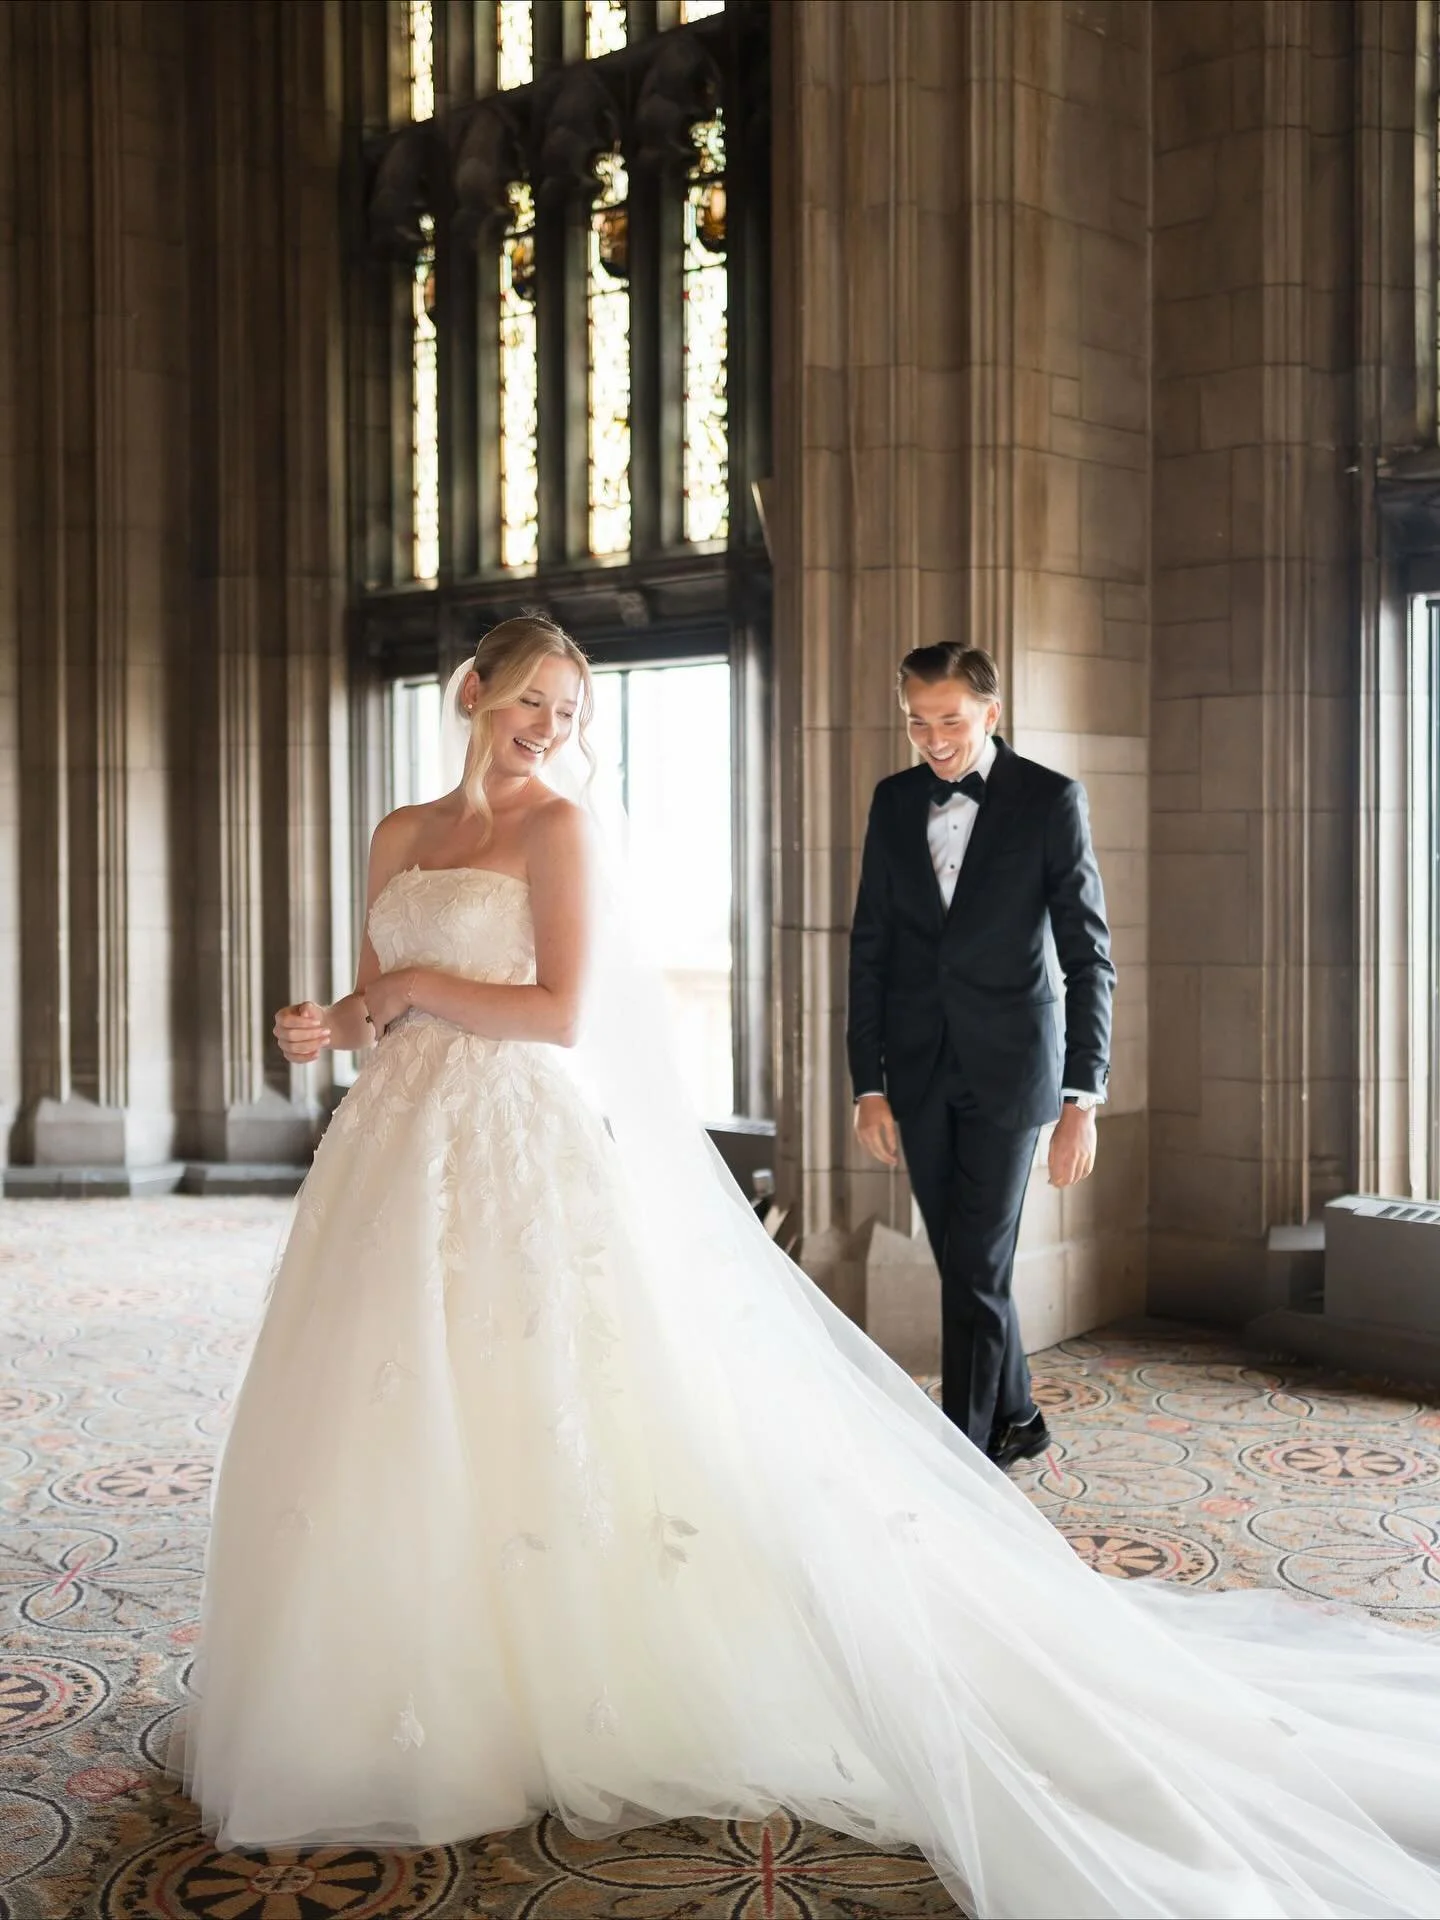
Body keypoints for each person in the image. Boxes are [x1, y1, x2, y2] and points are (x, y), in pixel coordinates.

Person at [172, 615, 1440, 1919]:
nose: (551, 728)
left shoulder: (556, 831)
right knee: (388, 1418)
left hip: (521, 1141)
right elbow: (375, 1010)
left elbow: (555, 1012)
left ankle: (963, 1446)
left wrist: (416, 985)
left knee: (573, 1391)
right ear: (474, 693)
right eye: (533, 702)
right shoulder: (396, 833)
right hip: (396, 1152)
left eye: (571, 709)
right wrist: (326, 1024)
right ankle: (387, 1678)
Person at [848, 643, 1115, 1469]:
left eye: (950, 721)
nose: (932, 739)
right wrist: (869, 1085)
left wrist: (1082, 1099)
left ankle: (961, 1457)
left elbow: (1088, 958)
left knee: (973, 1269)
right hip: (919, 1069)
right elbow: (870, 949)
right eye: (917, 722)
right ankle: (1022, 1413)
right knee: (970, 1263)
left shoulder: (1049, 800)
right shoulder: (893, 801)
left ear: (990, 715)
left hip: (1012, 1071)